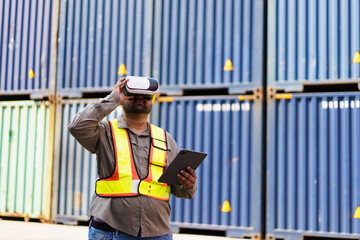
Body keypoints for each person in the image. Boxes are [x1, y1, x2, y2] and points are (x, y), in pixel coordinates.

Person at [68, 77, 197, 240]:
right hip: (111, 232)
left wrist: (188, 185)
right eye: (134, 95)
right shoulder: (105, 131)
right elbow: (76, 126)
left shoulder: (165, 138)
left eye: (146, 96)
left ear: (152, 101)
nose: (140, 99)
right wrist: (113, 97)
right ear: (122, 99)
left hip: (158, 234)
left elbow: (179, 191)